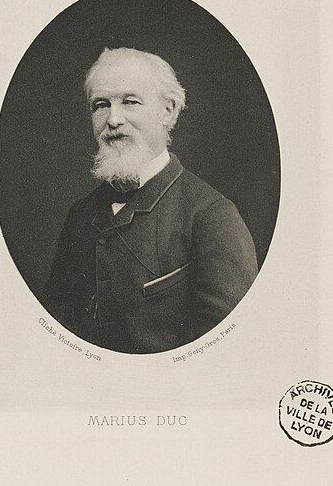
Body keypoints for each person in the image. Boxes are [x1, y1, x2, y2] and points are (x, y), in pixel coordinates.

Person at [40, 47, 258, 354]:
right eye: (101, 105)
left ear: (168, 111)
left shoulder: (211, 216)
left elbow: (226, 350)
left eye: (130, 102)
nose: (113, 120)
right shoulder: (80, 215)